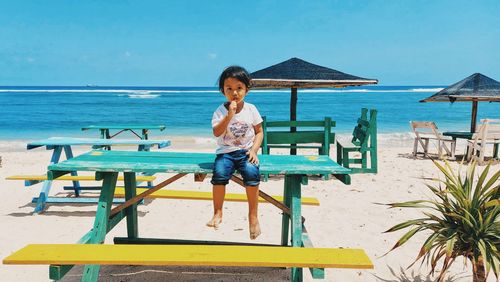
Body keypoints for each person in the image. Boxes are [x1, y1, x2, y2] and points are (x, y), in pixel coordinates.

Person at [208, 66, 263, 240]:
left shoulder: (251, 109)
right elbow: (217, 133)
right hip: (226, 152)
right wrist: (228, 116)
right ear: (223, 90)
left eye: (239, 88)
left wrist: (254, 150)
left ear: (247, 89)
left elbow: (259, 132)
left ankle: (253, 216)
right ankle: (218, 212)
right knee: (219, 175)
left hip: (246, 152)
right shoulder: (220, 111)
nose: (234, 93)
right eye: (229, 89)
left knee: (252, 174)